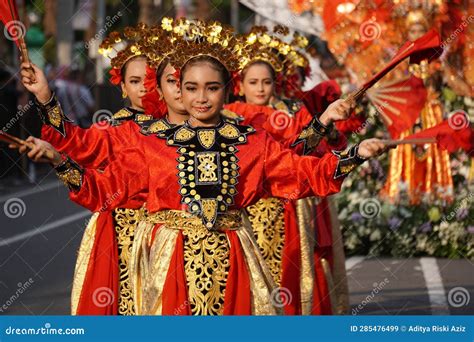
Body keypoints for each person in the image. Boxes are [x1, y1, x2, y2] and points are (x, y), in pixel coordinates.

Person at [14, 20, 388, 315]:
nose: (199, 97)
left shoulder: (251, 141)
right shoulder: (151, 143)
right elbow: (101, 188)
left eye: (211, 88)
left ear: (227, 90)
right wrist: (53, 128)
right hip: (169, 258)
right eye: (190, 87)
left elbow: (305, 174)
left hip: (234, 256)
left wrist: (354, 155)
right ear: (173, 90)